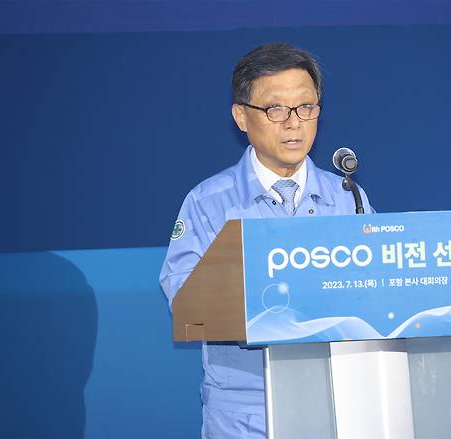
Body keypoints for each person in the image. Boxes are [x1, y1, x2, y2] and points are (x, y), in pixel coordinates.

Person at [159, 42, 374, 438]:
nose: (294, 123)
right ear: (241, 116)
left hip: (339, 401)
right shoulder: (208, 203)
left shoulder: (349, 197)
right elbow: (184, 299)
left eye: (306, 107)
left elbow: (378, 289)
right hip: (246, 410)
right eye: (276, 109)